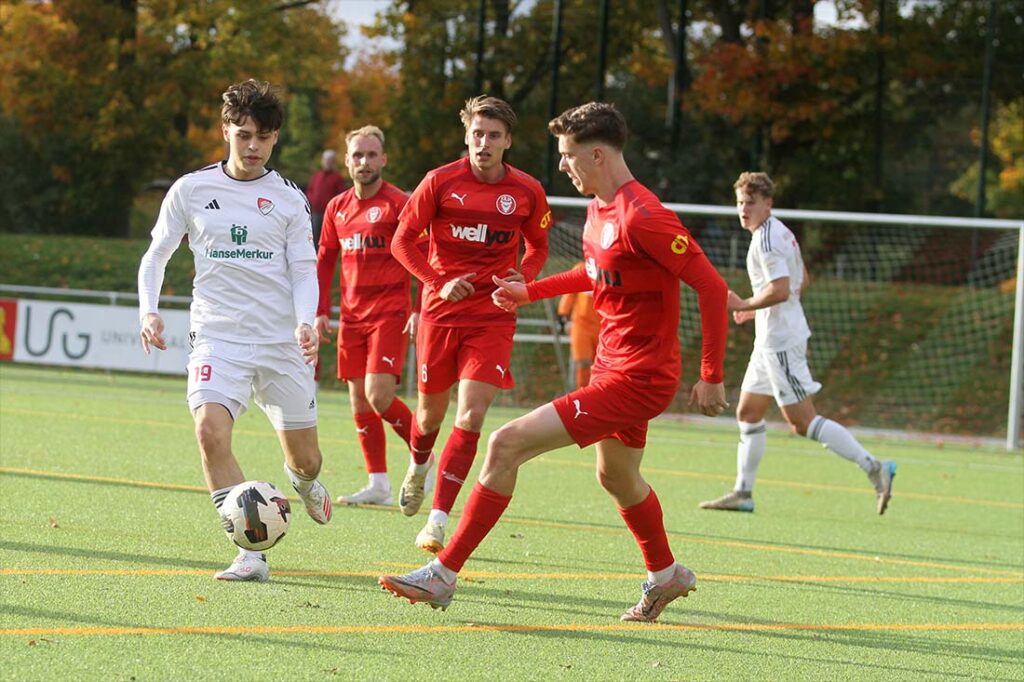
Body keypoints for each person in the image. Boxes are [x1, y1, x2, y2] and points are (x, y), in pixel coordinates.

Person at [379, 101, 730, 622]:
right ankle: (666, 575)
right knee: (618, 477)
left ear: (597, 155)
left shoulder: (645, 215)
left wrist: (711, 375)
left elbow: (712, 287)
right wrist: (530, 291)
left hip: (640, 376)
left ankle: (443, 574)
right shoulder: (599, 209)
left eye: (568, 155)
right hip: (612, 363)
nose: (562, 165)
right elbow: (594, 272)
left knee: (505, 443)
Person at [138, 79, 332, 583]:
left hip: (280, 343)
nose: (253, 146)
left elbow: (303, 268)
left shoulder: (288, 199)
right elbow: (157, 255)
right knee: (209, 432)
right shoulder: (191, 190)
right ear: (225, 129)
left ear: (275, 138)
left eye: (263, 137)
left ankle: (302, 483)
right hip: (217, 336)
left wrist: (305, 321)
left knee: (307, 460)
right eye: (243, 134)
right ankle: (250, 551)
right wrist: (148, 311)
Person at [389, 95, 551, 554]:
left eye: (493, 136)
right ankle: (419, 465)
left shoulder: (526, 190)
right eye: (477, 134)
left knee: (471, 415)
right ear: (466, 135)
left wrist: (524, 276)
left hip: (492, 316)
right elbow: (402, 242)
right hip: (441, 314)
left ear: (508, 141)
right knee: (428, 417)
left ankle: (437, 521)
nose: (484, 143)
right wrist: (438, 283)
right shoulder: (439, 181)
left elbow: (538, 245)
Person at [699, 171, 896, 514]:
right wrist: (756, 311)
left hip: (781, 342)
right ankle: (743, 492)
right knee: (748, 412)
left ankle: (874, 466)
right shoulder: (780, 231)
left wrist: (745, 303)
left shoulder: (767, 240)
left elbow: (780, 289)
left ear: (768, 204)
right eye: (740, 202)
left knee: (802, 422)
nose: (743, 209)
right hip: (770, 339)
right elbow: (801, 280)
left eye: (751, 203)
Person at [314, 125, 418, 506]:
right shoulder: (337, 207)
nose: (364, 161)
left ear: (383, 159)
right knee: (359, 403)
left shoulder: (399, 203)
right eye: (357, 155)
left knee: (379, 396)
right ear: (347, 161)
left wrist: (420, 308)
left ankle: (424, 456)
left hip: (390, 313)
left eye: (372, 155)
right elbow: (325, 260)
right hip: (352, 317)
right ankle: (378, 484)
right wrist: (321, 311)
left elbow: (423, 256)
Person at [556, 262, 601, 388]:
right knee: (583, 362)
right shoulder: (581, 268)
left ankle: (598, 393)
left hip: (604, 327)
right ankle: (581, 393)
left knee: (601, 365)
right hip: (581, 325)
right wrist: (563, 314)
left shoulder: (613, 270)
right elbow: (569, 293)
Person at [306, 149, 348, 245]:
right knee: (314, 236)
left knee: (328, 237)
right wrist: (311, 201)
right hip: (316, 212)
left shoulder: (337, 177)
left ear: (333, 162)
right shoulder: (316, 176)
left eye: (329, 160)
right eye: (325, 160)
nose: (327, 162)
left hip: (330, 214)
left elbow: (341, 195)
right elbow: (310, 190)